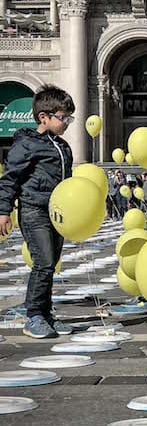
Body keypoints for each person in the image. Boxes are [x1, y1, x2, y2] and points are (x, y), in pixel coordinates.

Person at [0, 85, 75, 339]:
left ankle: (46, 315)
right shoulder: (27, 144)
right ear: (44, 117)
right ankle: (34, 316)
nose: (67, 122)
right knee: (42, 262)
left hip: (58, 213)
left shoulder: (63, 147)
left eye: (68, 118)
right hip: (34, 210)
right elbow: (10, 178)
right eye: (63, 117)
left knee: (50, 264)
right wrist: (4, 210)